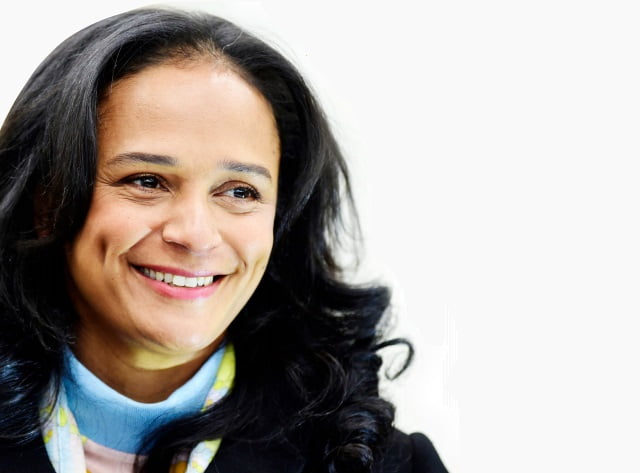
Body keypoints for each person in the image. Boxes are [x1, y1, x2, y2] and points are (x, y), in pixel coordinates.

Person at [0, 7, 448, 473]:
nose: (196, 234)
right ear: (47, 203)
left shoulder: (386, 464)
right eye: (147, 181)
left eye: (240, 192)